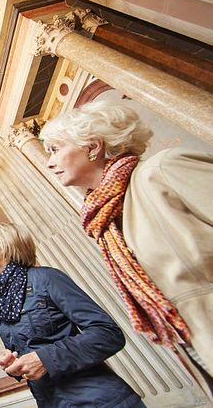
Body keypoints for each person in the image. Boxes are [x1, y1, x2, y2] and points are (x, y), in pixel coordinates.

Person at [39, 100, 213, 375]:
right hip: (194, 344)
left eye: (55, 150)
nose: (49, 163)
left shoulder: (162, 171)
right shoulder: (105, 220)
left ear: (93, 146)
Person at [0, 221, 143, 407]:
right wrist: (14, 364)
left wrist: (45, 359)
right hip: (50, 401)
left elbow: (108, 334)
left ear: (4, 244)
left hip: (98, 400)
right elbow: (31, 349)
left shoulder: (46, 278)